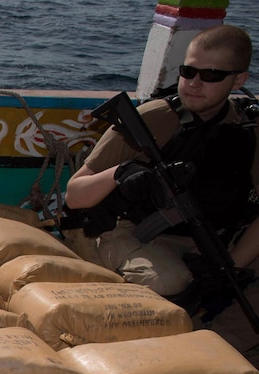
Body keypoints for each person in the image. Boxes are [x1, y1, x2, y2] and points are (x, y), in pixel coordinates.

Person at [64, 24, 259, 320]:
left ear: (238, 80)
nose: (194, 83)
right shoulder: (152, 119)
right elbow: (74, 195)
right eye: (188, 71)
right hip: (131, 231)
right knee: (170, 281)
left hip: (210, 236)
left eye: (211, 75)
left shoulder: (245, 129)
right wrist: (122, 173)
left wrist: (229, 268)